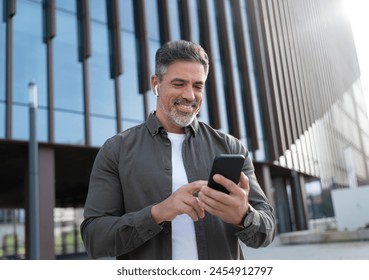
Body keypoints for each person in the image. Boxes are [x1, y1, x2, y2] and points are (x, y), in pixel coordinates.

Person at [81, 40, 275, 260]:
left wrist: (244, 216)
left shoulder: (230, 146)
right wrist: (158, 213)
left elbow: (267, 230)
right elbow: (94, 238)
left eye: (198, 86)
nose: (190, 96)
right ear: (156, 83)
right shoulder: (116, 150)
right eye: (179, 83)